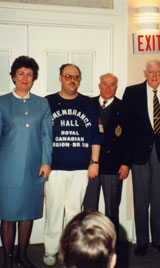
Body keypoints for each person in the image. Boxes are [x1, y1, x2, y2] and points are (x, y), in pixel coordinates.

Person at [0, 55, 53, 268]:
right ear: (13, 77)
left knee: (28, 213)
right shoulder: (0, 103)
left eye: (29, 74)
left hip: (35, 168)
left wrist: (46, 162)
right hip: (8, 167)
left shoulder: (42, 104)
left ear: (33, 78)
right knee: (8, 215)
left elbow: (46, 135)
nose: (25, 78)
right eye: (21, 74)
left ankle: (22, 255)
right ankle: (8, 258)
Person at [43, 63, 102, 266]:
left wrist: (94, 162)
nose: (72, 80)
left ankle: (70, 249)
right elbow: (40, 136)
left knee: (74, 211)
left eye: (76, 76)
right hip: (55, 167)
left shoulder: (88, 103)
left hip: (80, 167)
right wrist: (43, 163)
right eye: (68, 76)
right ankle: (51, 249)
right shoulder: (48, 102)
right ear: (60, 78)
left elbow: (96, 135)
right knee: (54, 210)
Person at [122, 58, 160, 256]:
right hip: (139, 154)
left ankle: (159, 239)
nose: (155, 75)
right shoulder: (132, 92)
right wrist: (126, 160)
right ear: (144, 73)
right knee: (140, 200)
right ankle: (142, 241)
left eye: (158, 72)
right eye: (151, 72)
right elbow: (127, 127)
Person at [84, 73, 131, 238]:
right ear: (99, 85)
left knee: (112, 209)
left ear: (116, 87)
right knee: (89, 208)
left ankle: (113, 243)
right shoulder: (88, 104)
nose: (108, 87)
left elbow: (128, 139)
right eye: (105, 84)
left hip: (114, 166)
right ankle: (88, 242)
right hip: (91, 165)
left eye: (112, 84)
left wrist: (126, 163)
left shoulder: (124, 107)